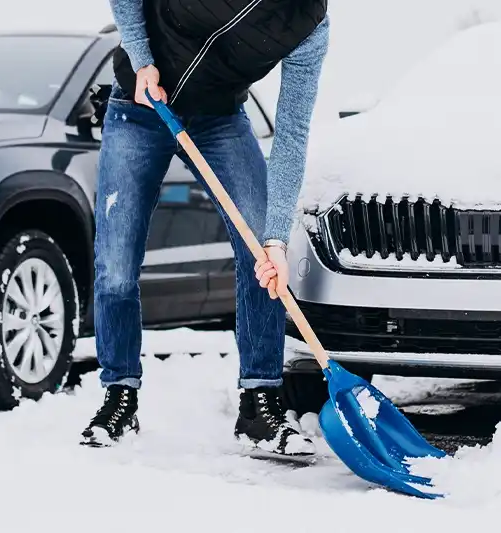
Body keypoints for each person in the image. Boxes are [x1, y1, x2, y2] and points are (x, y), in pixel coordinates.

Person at [81, 0, 330, 459]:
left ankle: (259, 403)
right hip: (139, 107)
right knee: (115, 265)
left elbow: (292, 134)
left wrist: (276, 238)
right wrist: (142, 59)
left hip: (220, 121)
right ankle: (119, 396)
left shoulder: (309, 25)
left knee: (261, 254)